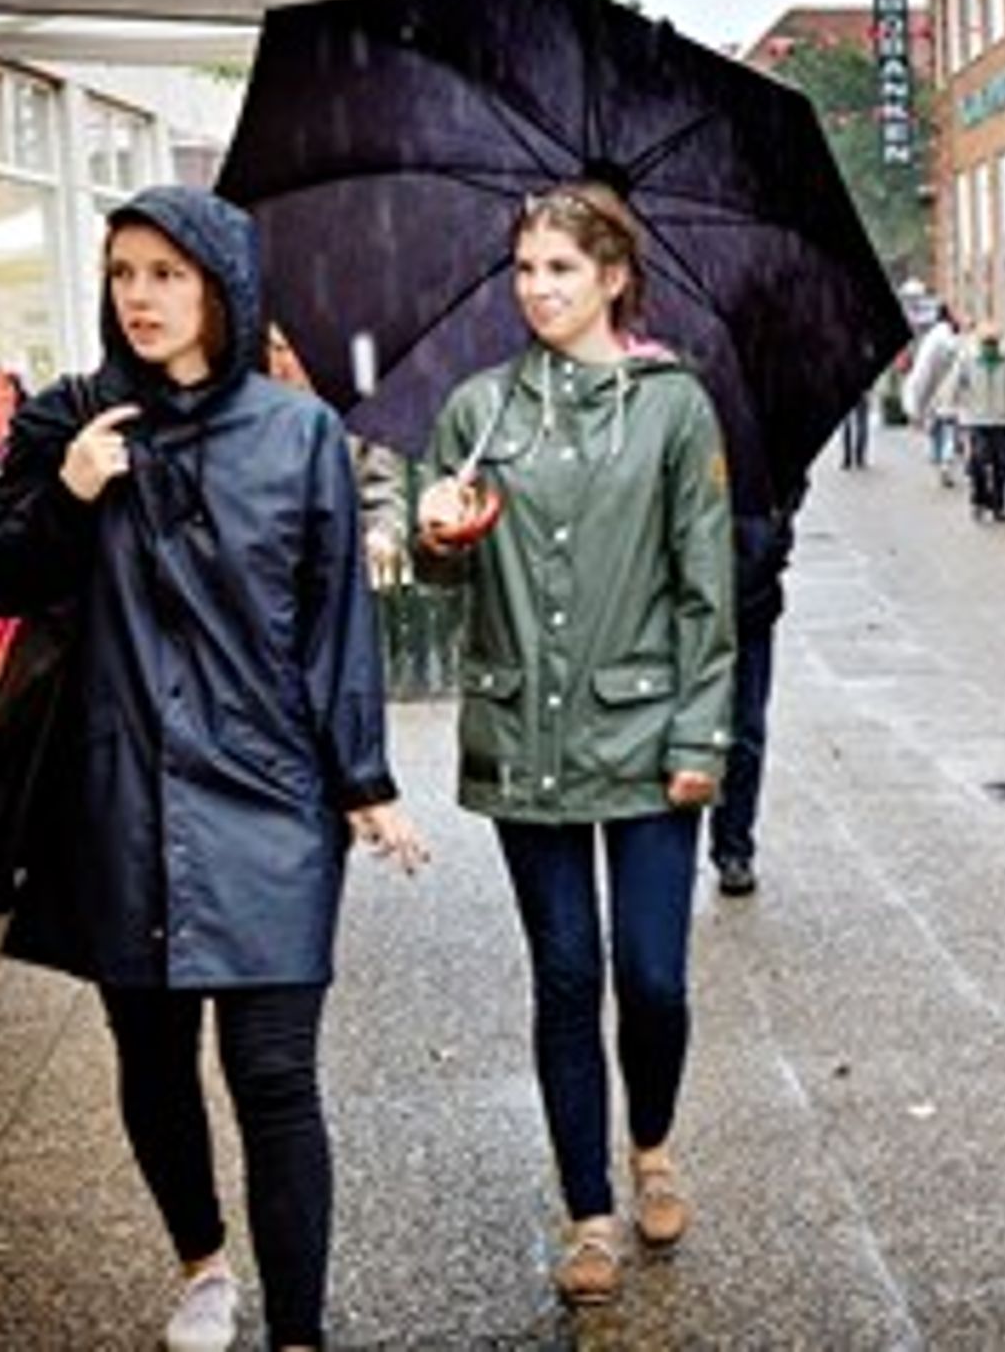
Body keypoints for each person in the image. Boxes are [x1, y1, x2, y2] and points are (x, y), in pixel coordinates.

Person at [0, 186, 427, 1352]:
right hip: (120, 794)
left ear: (223, 287)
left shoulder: (299, 432)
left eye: (168, 274)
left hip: (271, 795)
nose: (142, 296)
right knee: (155, 1058)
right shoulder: (73, 420)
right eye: (123, 273)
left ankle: (299, 1333)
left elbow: (335, 622)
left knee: (273, 1074)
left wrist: (362, 779)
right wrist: (69, 493)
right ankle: (203, 1264)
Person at [410, 180, 737, 1306]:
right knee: (563, 974)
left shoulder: (673, 407)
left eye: (560, 267)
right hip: (525, 733)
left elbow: (705, 586)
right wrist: (438, 538)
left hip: (649, 731)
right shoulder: (480, 411)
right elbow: (441, 574)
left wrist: (702, 735)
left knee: (651, 975)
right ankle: (588, 1212)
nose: (538, 288)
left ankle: (652, 1142)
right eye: (525, 269)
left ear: (612, 276)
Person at [263, 320, 408, 589]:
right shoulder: (252, 419)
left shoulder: (358, 421)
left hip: (337, 579)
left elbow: (385, 497)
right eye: (274, 349)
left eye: (289, 350)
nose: (280, 364)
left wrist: (381, 536)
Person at [707, 494, 798, 897]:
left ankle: (734, 846)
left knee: (745, 732)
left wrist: (774, 528)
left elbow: (790, 474)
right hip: (668, 590)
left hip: (749, 587)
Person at [948, 320, 1005, 522]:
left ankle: (999, 506)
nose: (990, 347)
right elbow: (955, 384)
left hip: (1004, 420)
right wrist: (951, 408)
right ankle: (979, 500)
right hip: (977, 420)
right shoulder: (968, 359)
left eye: (993, 343)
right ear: (980, 343)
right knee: (978, 461)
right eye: (986, 342)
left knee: (1003, 465)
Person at [903, 304, 962, 486]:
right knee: (948, 430)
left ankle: (940, 461)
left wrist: (916, 406)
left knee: (937, 429)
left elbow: (922, 373)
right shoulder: (953, 340)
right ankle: (945, 463)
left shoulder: (931, 341)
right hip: (948, 395)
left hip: (934, 397)